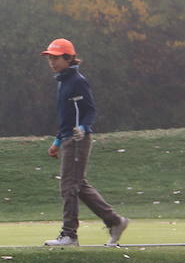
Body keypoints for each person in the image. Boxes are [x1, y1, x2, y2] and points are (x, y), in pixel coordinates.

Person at [40, 38, 129, 247]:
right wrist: (57, 141)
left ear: (68, 58)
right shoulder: (62, 81)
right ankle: (115, 221)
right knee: (78, 185)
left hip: (79, 138)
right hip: (68, 137)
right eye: (50, 58)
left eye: (56, 58)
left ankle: (69, 234)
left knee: (69, 185)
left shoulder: (77, 80)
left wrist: (83, 127)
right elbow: (66, 116)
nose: (52, 62)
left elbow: (89, 110)